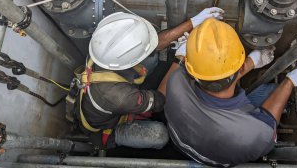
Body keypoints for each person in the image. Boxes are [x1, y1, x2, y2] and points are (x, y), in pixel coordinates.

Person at [159, 18, 297, 167]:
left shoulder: (175, 83)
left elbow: (213, 79)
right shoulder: (253, 133)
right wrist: (289, 82)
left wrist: (249, 64)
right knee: (270, 90)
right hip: (225, 150)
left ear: (192, 72)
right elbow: (268, 122)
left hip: (184, 145)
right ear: (240, 67)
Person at [74, 8, 224, 150]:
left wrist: (194, 21)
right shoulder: (120, 97)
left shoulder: (101, 50)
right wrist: (179, 59)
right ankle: (118, 138)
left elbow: (154, 43)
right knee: (159, 135)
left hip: (108, 97)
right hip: (107, 128)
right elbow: (160, 101)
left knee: (151, 59)